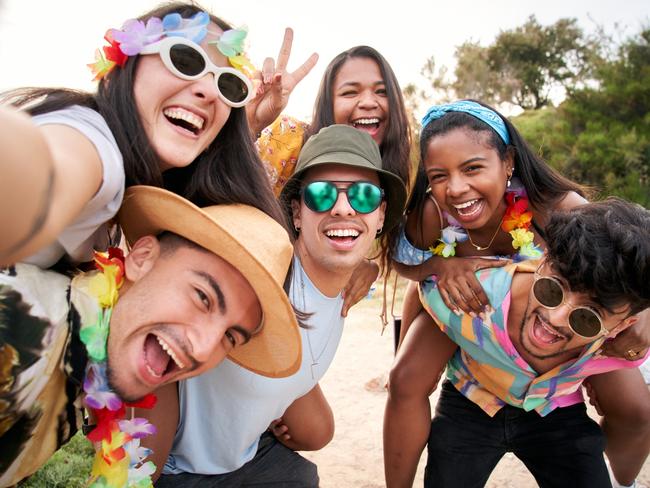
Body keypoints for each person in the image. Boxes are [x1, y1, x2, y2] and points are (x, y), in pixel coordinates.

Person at [383, 100, 650, 487]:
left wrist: (644, 314)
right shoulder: (432, 214)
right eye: (438, 175)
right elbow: (401, 260)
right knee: (404, 377)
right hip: (468, 303)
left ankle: (621, 476)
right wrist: (439, 266)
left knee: (636, 408)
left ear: (508, 162)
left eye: (472, 168)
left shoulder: (556, 207)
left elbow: (624, 256)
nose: (456, 188)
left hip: (561, 314)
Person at [140, 125, 407, 486]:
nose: (343, 208)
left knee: (310, 454)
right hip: (176, 467)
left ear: (379, 216)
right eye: (322, 194)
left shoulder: (342, 291)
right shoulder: (262, 272)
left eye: (362, 196)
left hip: (246, 460)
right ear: (297, 213)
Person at [0, 185, 300, 487]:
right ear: (142, 258)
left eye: (230, 337)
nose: (203, 348)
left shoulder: (86, 357)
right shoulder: (20, 330)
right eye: (202, 297)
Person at [0, 1, 317, 268]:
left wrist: (248, 126)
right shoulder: (94, 145)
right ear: (120, 74)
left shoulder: (137, 183)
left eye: (228, 84)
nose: (209, 90)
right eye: (185, 60)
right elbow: (48, 168)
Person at [420, 198, 650, 487]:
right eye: (552, 289)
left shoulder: (627, 344)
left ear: (623, 325)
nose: (556, 318)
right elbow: (423, 284)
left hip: (554, 407)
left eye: (588, 318)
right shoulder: (472, 297)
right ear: (543, 261)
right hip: (472, 396)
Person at [257, 45, 412, 313]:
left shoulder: (390, 172)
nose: (367, 102)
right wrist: (251, 122)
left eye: (381, 91)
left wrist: (362, 262)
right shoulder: (288, 139)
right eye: (350, 92)